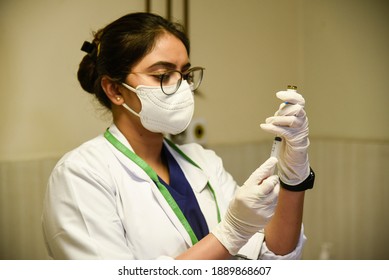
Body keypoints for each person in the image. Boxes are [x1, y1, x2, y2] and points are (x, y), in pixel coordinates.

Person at [41, 12, 314, 260]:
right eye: (162, 75)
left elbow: (275, 257)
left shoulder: (204, 163)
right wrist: (230, 233)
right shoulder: (81, 175)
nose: (181, 87)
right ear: (115, 90)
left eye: (184, 74)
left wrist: (294, 178)